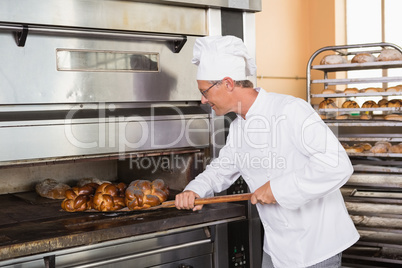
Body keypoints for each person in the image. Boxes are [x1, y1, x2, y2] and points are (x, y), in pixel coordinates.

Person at [174, 35, 359, 268]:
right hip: (277, 248)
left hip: (316, 246)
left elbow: (337, 165)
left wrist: (278, 188)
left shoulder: (290, 109)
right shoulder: (239, 126)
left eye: (205, 91)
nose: (202, 99)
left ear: (228, 84)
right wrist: (195, 190)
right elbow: (223, 168)